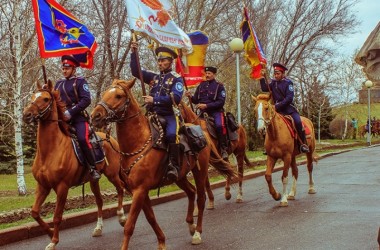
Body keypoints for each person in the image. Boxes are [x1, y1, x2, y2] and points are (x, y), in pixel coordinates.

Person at [130, 42, 184, 181]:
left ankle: (174, 166)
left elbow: (176, 98)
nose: (160, 63)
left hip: (169, 114)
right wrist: (133, 52)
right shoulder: (154, 77)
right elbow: (136, 72)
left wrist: (154, 100)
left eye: (163, 60)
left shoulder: (176, 78)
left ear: (170, 62)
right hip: (152, 114)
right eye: (159, 60)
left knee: (172, 135)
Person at [54, 55, 101, 180]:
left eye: (67, 69)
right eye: (63, 68)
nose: (64, 71)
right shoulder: (58, 84)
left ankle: (93, 168)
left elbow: (86, 100)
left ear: (73, 69)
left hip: (78, 118)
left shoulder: (80, 82)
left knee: (82, 139)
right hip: (62, 120)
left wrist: (71, 112)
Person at [260, 63, 309, 153]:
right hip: (277, 111)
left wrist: (277, 106)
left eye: (278, 73)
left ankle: (302, 144)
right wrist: (262, 77)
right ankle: (268, 146)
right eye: (275, 74)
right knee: (267, 123)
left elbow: (289, 98)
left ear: (283, 74)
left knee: (298, 122)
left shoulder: (288, 83)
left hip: (288, 109)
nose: (276, 75)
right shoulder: (273, 83)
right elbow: (264, 88)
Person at [185, 66, 229, 160]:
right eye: (206, 73)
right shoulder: (201, 86)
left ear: (214, 74)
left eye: (209, 73)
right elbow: (196, 100)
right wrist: (190, 96)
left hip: (216, 112)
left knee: (219, 126)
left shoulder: (219, 86)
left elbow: (221, 102)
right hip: (202, 113)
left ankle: (223, 149)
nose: (207, 75)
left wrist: (206, 106)